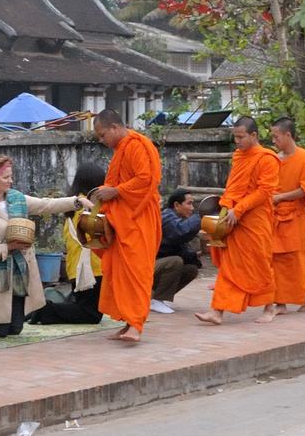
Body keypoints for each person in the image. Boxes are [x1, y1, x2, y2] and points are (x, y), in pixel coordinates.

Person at [0, 153, 84, 336]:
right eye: (6, 177)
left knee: (15, 329)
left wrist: (76, 202)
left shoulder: (18, 199)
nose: (11, 181)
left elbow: (47, 205)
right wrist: (7, 247)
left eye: (11, 176)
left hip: (20, 267)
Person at [196, 116, 278, 325]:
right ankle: (217, 311)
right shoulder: (238, 157)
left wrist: (239, 209)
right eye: (235, 137)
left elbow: (264, 192)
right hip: (234, 218)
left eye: (241, 137)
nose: (238, 141)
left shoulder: (267, 158)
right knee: (230, 266)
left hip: (255, 220)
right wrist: (228, 206)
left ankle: (270, 307)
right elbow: (233, 187)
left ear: (253, 135)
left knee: (259, 264)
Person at [90, 109, 162, 343]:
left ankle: (137, 325)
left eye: (102, 135)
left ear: (114, 127)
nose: (102, 141)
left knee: (137, 271)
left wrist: (116, 191)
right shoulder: (123, 147)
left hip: (138, 217)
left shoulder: (136, 145)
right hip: (123, 217)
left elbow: (145, 179)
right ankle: (128, 321)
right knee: (121, 272)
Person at [33, 164, 108, 325]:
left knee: (84, 307)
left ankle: (46, 313)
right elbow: (98, 230)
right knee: (91, 314)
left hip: (78, 265)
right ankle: (46, 309)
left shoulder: (75, 203)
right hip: (90, 265)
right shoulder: (88, 206)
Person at [264, 118, 305, 316]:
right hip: (276, 218)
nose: (273, 140)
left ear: (288, 135)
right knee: (277, 261)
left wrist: (280, 198)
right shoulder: (274, 160)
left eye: (276, 136)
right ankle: (280, 303)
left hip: (296, 216)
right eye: (272, 136)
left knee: (300, 260)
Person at [153, 188, 202, 311]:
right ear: (176, 205)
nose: (192, 208)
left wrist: (201, 253)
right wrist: (202, 216)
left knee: (191, 269)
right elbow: (181, 231)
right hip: (144, 267)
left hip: (157, 266)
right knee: (175, 262)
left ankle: (154, 297)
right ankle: (156, 300)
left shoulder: (176, 218)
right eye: (189, 203)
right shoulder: (166, 217)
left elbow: (181, 253)